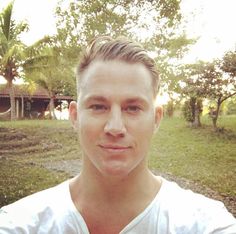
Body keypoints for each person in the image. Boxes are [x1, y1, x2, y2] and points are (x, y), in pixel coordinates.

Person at [0, 36, 235, 234]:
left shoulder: (205, 224)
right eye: (98, 106)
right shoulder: (21, 223)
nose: (115, 127)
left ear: (156, 119)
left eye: (132, 108)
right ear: (74, 116)